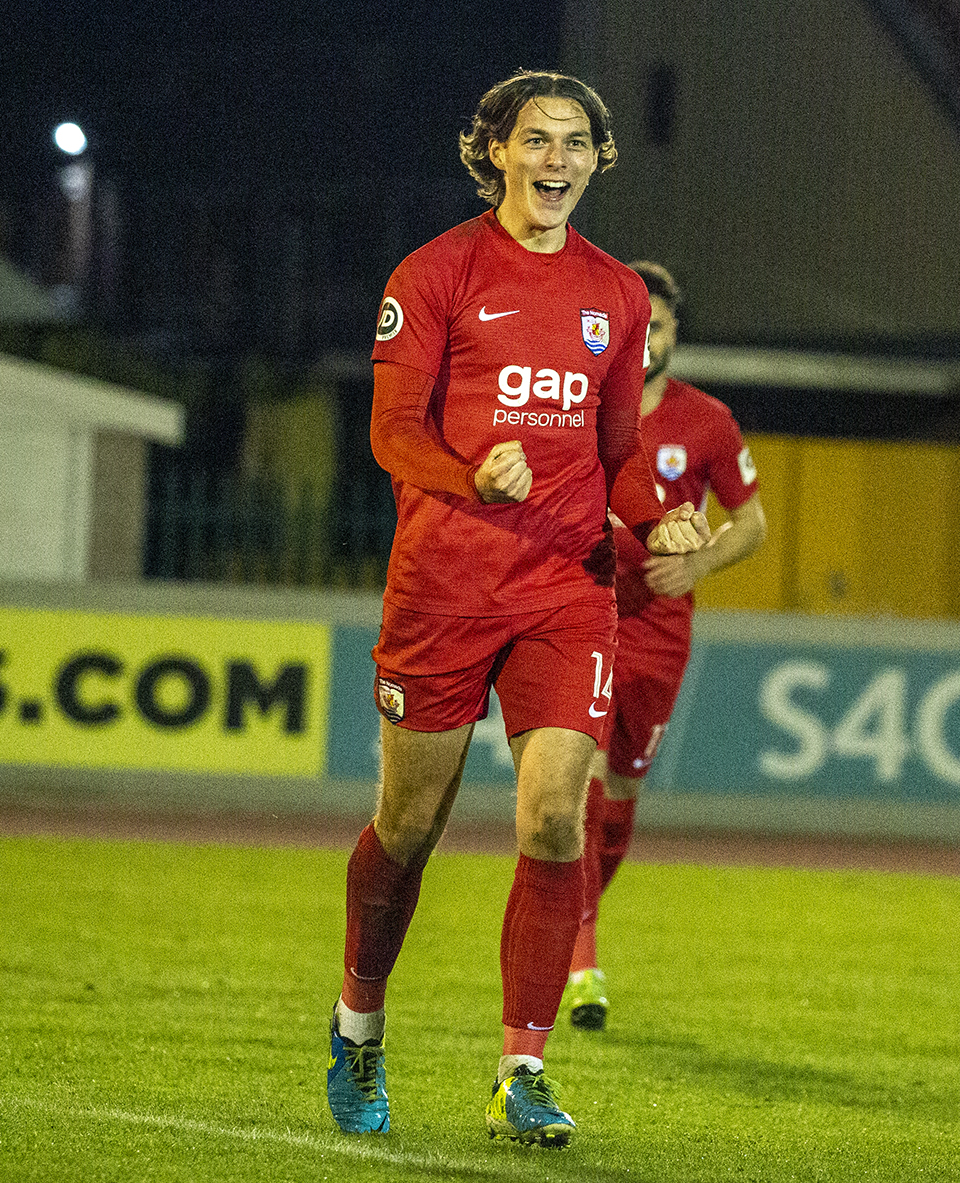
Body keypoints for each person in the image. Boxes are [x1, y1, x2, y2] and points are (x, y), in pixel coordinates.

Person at [327, 70, 709, 1147]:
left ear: (597, 158)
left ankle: (523, 1068)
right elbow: (391, 432)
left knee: (551, 814)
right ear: (493, 151)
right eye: (535, 141)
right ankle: (359, 1028)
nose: (556, 160)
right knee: (408, 826)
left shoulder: (618, 295)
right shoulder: (436, 271)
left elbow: (620, 457)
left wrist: (657, 518)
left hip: (566, 587)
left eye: (575, 142)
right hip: (445, 586)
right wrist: (466, 477)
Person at [560, 261, 766, 1031]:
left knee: (619, 795)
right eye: (637, 324)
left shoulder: (706, 421)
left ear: (677, 335)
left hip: (660, 631)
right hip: (582, 611)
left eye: (663, 326)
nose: (649, 339)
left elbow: (752, 522)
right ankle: (581, 964)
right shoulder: (577, 405)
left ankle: (569, 924)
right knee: (576, 778)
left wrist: (702, 561)